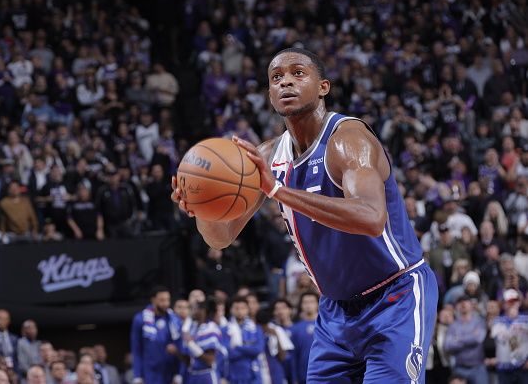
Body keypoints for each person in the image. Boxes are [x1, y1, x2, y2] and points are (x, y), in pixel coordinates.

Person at [172, 47, 438, 382]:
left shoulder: (348, 140)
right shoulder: (268, 156)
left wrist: (278, 191)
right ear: (269, 94)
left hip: (394, 296)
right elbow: (221, 236)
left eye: (298, 73)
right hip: (335, 310)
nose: (285, 82)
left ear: (323, 86)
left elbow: (371, 217)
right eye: (276, 78)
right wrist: (202, 207)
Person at [131, 286, 180, 384]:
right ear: (153, 300)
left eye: (167, 300)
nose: (166, 304)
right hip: (150, 373)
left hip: (170, 372)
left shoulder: (174, 319)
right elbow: (136, 349)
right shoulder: (140, 319)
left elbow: (179, 346)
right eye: (162, 300)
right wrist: (137, 375)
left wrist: (178, 373)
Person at [444, 296, 488, 384]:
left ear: (471, 305)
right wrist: (470, 337)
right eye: (460, 302)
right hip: (460, 368)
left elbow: (478, 339)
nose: (463, 304)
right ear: (457, 307)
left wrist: (458, 339)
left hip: (478, 368)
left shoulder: (479, 322)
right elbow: (448, 346)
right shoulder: (453, 325)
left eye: (466, 301)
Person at [490, 289, 528, 384]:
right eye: (509, 301)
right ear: (504, 304)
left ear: (519, 302)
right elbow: (499, 338)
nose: (512, 304)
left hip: (522, 366)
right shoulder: (497, 321)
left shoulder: (526, 320)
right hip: (504, 367)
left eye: (515, 300)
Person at [225, 296, 265, 383]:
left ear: (247, 310)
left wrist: (238, 347)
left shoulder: (256, 328)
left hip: (253, 375)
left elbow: (258, 349)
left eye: (243, 308)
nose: (240, 311)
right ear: (231, 310)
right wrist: (249, 349)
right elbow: (228, 353)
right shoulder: (225, 329)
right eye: (236, 308)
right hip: (233, 375)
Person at [291, 292, 319, 384]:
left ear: (318, 304)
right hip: (304, 375)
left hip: (326, 373)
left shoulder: (327, 325)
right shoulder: (295, 328)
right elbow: (293, 355)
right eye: (305, 302)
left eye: (311, 302)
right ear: (301, 305)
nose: (308, 305)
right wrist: (294, 378)